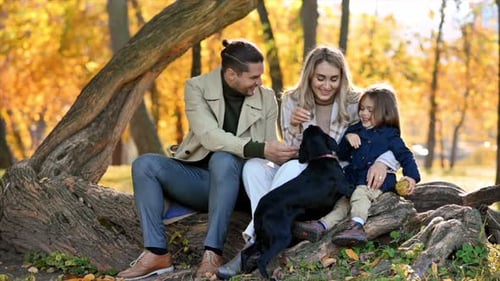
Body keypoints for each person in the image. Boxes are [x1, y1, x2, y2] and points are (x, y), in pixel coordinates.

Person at [117, 39, 298, 280]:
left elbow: (266, 152)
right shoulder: (197, 88)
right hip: (201, 182)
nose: (260, 82)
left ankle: (212, 253)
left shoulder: (266, 98)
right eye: (254, 77)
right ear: (231, 74)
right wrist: (260, 148)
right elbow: (210, 137)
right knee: (145, 164)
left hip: (241, 187)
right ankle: (156, 252)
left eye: (260, 76)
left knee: (223, 159)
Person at [217, 46, 400, 279]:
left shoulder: (357, 103)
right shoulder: (292, 100)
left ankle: (251, 244)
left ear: (342, 78)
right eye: (320, 78)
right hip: (304, 175)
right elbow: (296, 152)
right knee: (254, 167)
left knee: (293, 168)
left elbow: (391, 137)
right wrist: (294, 127)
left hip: (333, 180)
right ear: (309, 76)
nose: (327, 85)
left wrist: (383, 162)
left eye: (334, 79)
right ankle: (266, 234)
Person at [331, 83, 421, 247]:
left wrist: (411, 176)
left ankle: (357, 227)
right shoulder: (355, 129)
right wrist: (347, 139)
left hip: (376, 182)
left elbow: (405, 156)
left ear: (385, 112)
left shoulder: (389, 135)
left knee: (360, 194)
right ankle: (321, 226)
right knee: (342, 204)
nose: (364, 113)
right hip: (354, 178)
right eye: (362, 108)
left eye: (370, 110)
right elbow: (342, 154)